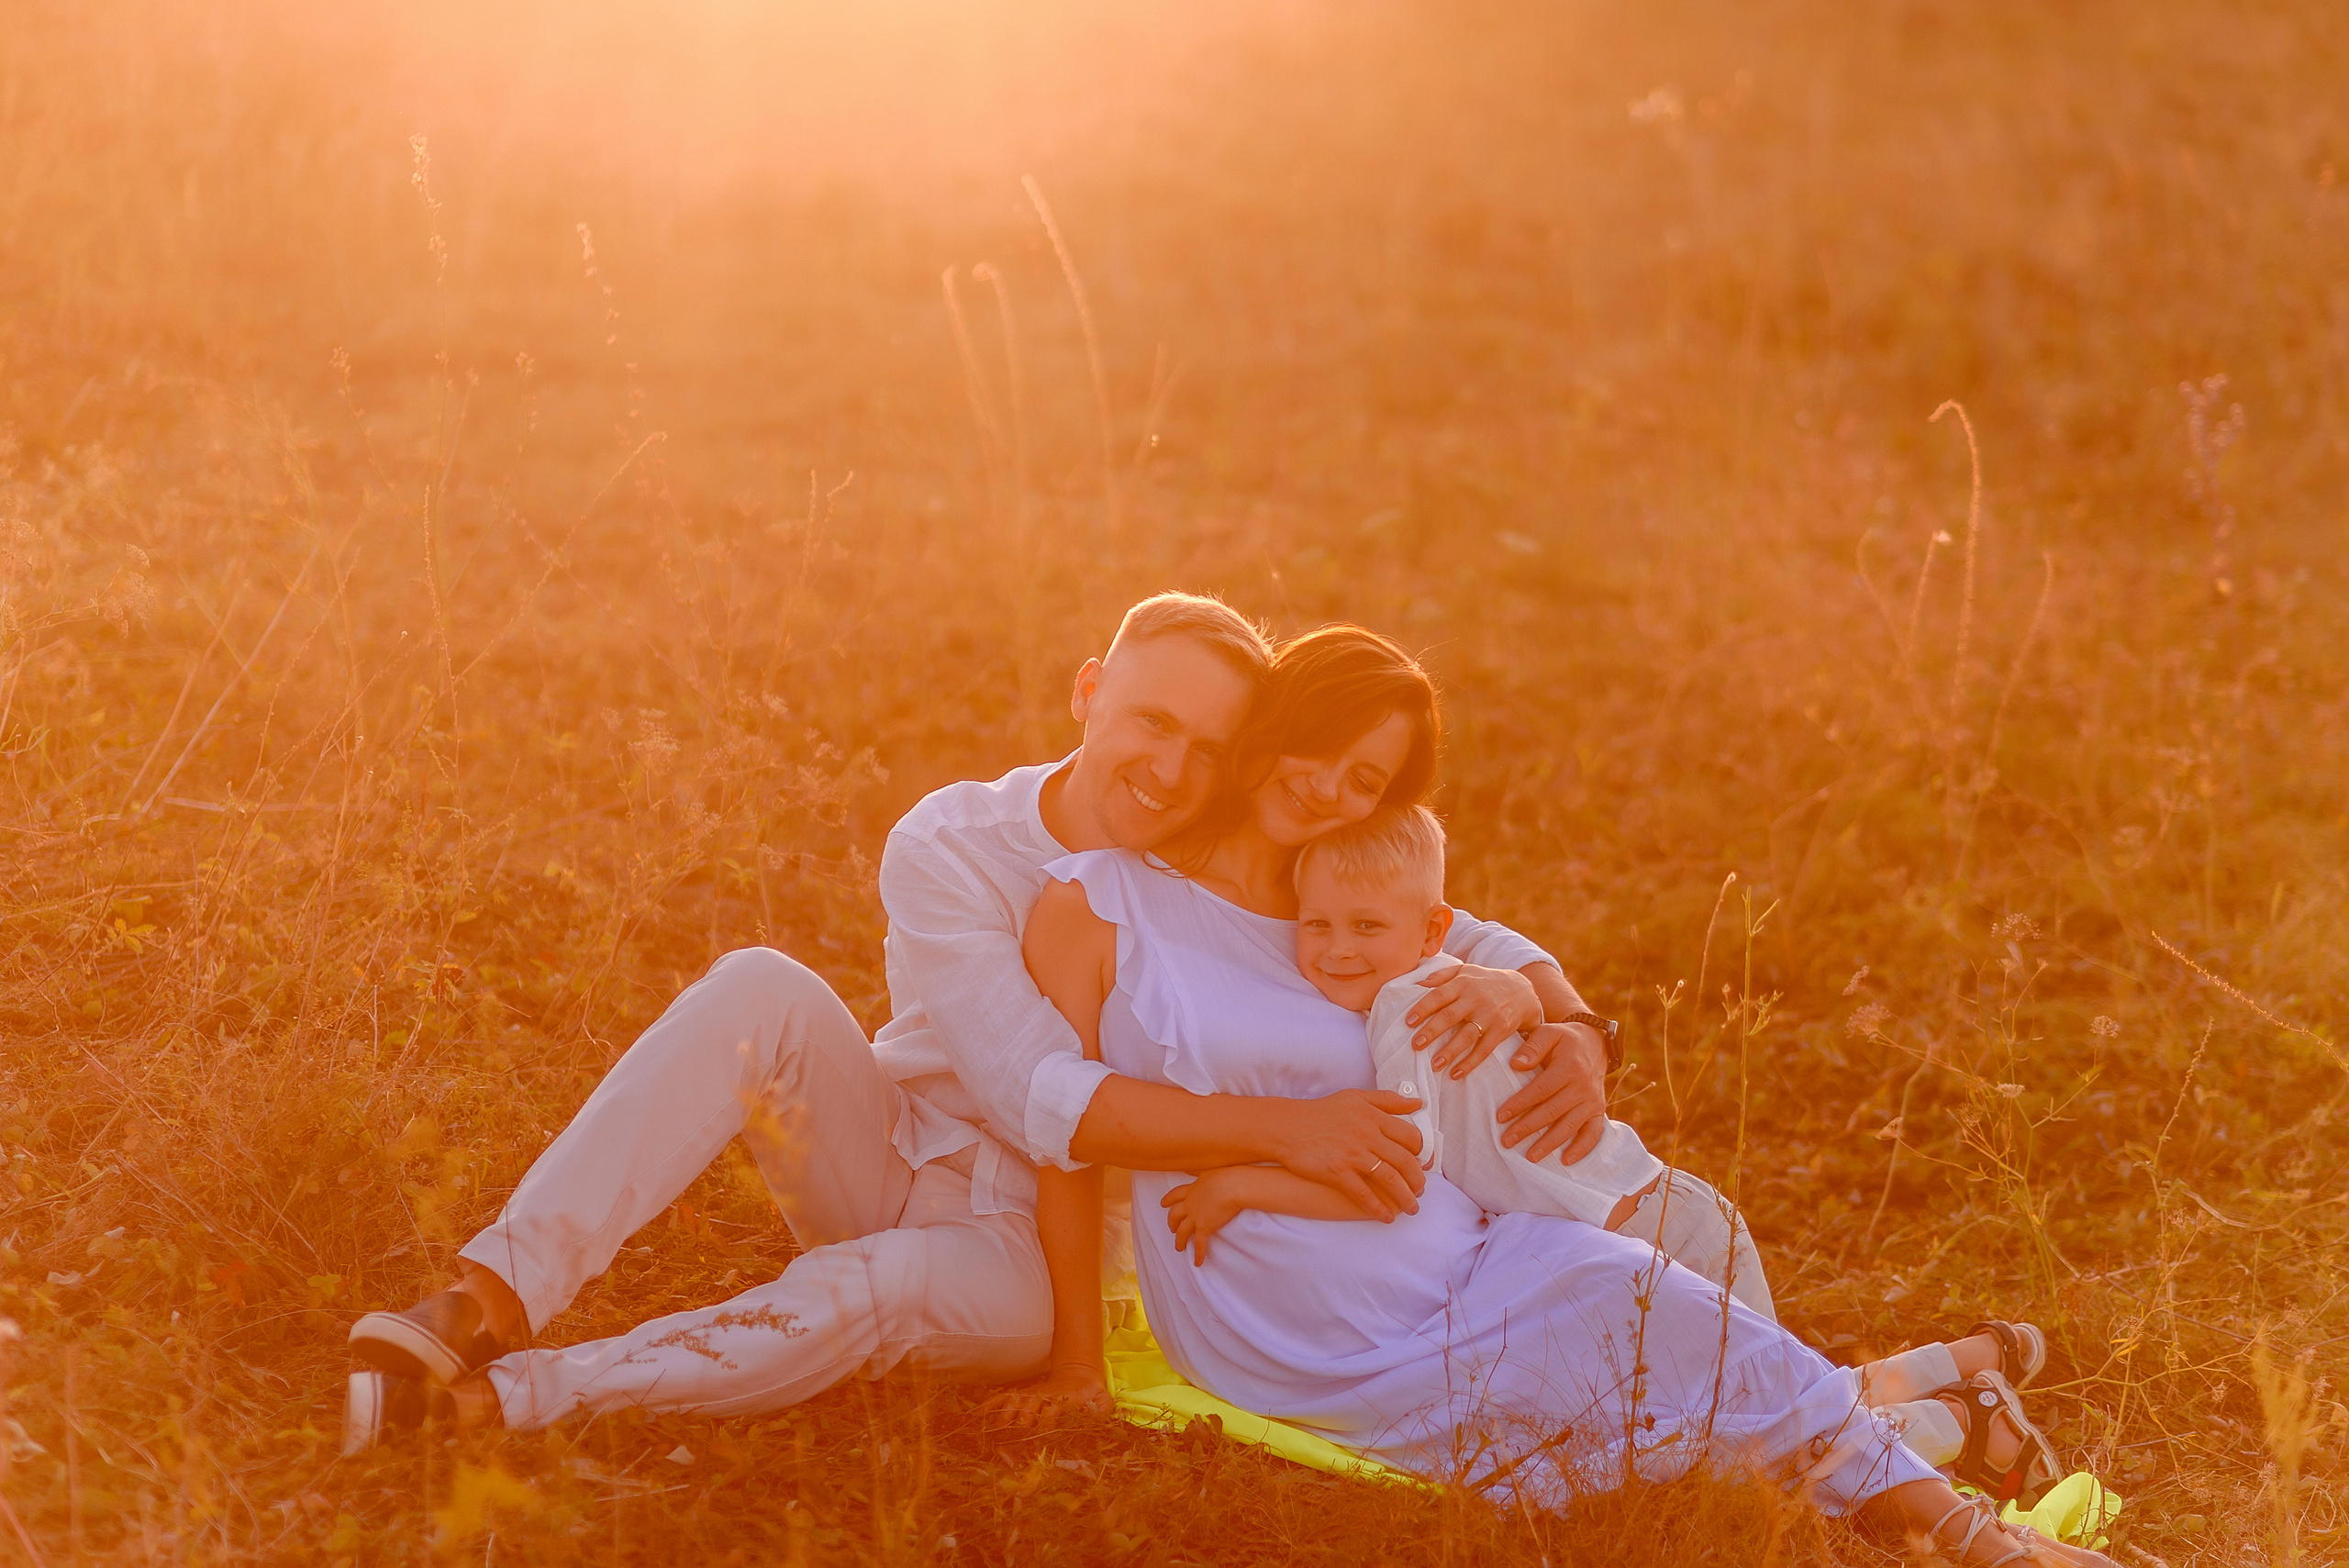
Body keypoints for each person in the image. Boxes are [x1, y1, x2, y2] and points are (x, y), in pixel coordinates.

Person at [340, 592, 1620, 1448]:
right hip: (892, 1149)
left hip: (1056, 1256)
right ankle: (491, 1295)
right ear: (1087, 694)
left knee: (883, 1289)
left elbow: (1446, 925)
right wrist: (1292, 1129)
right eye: (1149, 723)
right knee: (760, 988)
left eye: (1206, 749)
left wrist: (1563, 1013)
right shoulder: (953, 839)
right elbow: (1035, 1094)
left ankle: (512, 1402)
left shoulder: (1240, 863)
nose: (1170, 771)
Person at [1008, 624, 2108, 1564]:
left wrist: (1558, 1017)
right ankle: (1954, 1452)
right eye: (1319, 752)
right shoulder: (1098, 903)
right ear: (1269, 721)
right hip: (1280, 1301)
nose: (1328, 790)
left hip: (1470, 1246)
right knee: (1660, 1354)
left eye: (1365, 780)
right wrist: (1074, 1366)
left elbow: (1484, 950)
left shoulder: (1342, 894)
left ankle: (1972, 1527)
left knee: (1655, 1339)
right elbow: (1061, 1125)